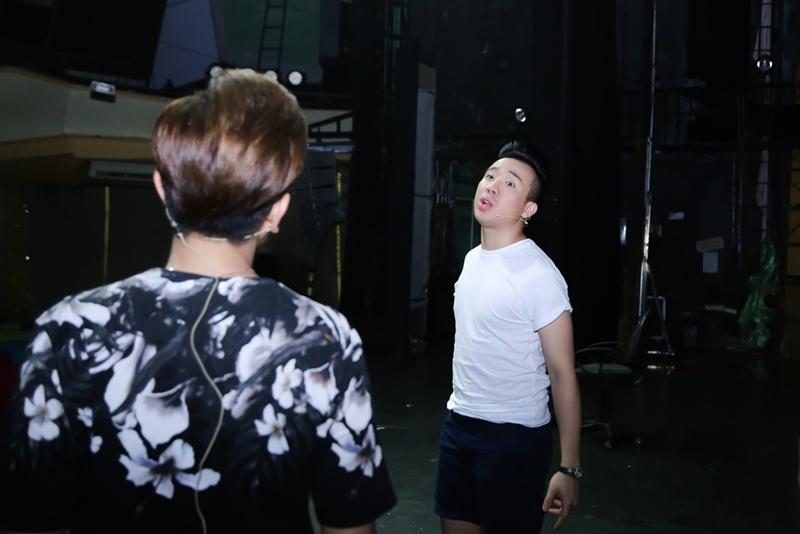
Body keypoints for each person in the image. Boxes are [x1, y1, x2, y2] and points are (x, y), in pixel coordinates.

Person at [0, 69, 395, 534]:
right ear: (277, 211)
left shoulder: (70, 327)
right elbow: (349, 523)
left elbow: (29, 519)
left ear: (161, 189)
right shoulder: (324, 337)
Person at [434, 141, 581, 533]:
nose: (492, 186)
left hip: (514, 438)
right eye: (490, 176)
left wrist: (569, 468)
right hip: (459, 426)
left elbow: (562, 374)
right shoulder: (472, 260)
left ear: (528, 209)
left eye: (510, 183)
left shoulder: (539, 275)